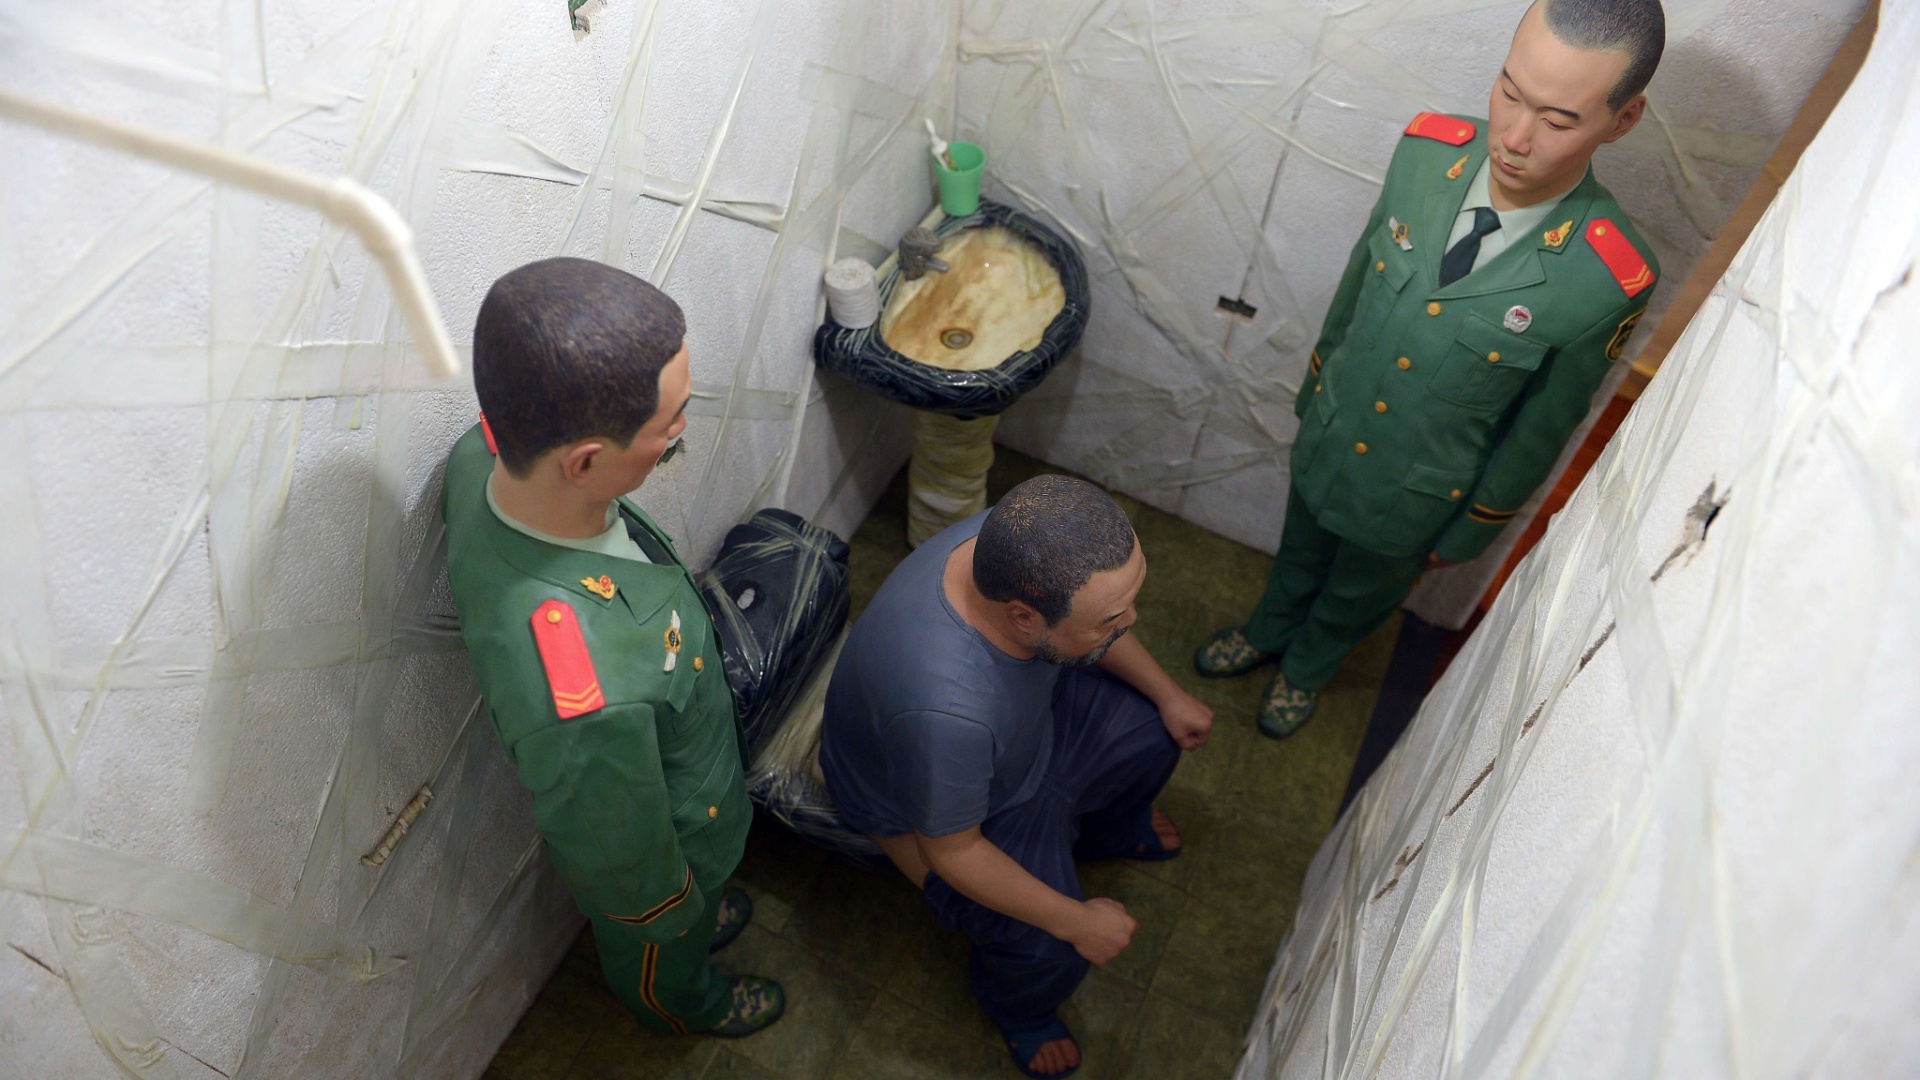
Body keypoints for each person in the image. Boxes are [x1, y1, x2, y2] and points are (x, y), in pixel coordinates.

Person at [1198, 0, 1666, 736]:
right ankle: (1267, 629)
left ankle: (1307, 666)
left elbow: (1544, 425)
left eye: (1558, 118)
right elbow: (1359, 279)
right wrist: (1318, 386)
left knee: (1360, 593)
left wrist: (1476, 525)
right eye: (1509, 90)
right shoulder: (1425, 152)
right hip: (1335, 425)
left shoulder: (1605, 277)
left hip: (1419, 493)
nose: (1514, 137)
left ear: (1623, 119)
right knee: (1298, 546)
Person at [440, 257, 784, 1037]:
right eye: (670, 424)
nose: (680, 434)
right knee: (668, 945)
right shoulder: (582, 690)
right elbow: (620, 852)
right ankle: (687, 1002)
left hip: (676, 754)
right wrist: (671, 906)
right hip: (673, 839)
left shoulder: (483, 459)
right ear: (587, 462)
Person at [819, 475, 1215, 1079]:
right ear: (1024, 616)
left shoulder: (1018, 540)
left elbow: (1094, 636)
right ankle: (1022, 1013)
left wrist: (1169, 695)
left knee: (1155, 734)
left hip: (1022, 736)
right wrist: (1077, 921)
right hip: (945, 814)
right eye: (1114, 615)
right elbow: (951, 850)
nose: (1130, 620)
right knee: (1050, 949)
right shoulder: (944, 709)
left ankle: (1106, 830)